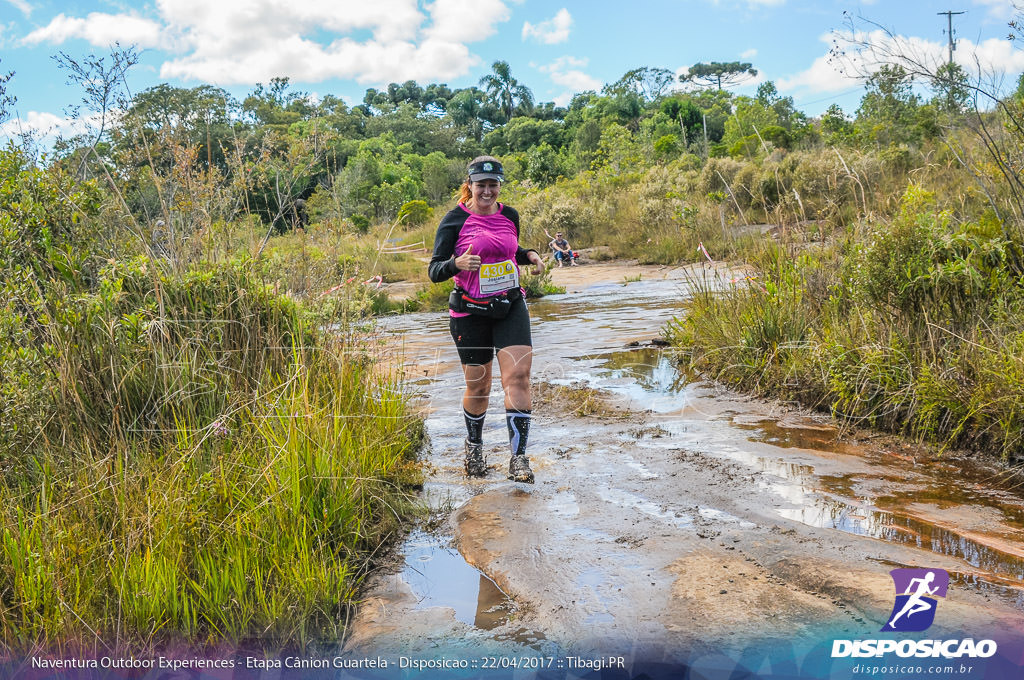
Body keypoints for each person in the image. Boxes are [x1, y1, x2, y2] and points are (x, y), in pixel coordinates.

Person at [428, 156, 546, 483]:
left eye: (493, 185)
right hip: (469, 312)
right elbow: (434, 270)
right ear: (470, 185)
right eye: (481, 185)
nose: (488, 191)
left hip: (510, 306)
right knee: (479, 386)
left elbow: (506, 250)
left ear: (499, 186)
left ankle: (519, 459)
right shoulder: (454, 220)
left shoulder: (510, 215)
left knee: (519, 378)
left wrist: (529, 255)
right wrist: (457, 263)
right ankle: (475, 449)